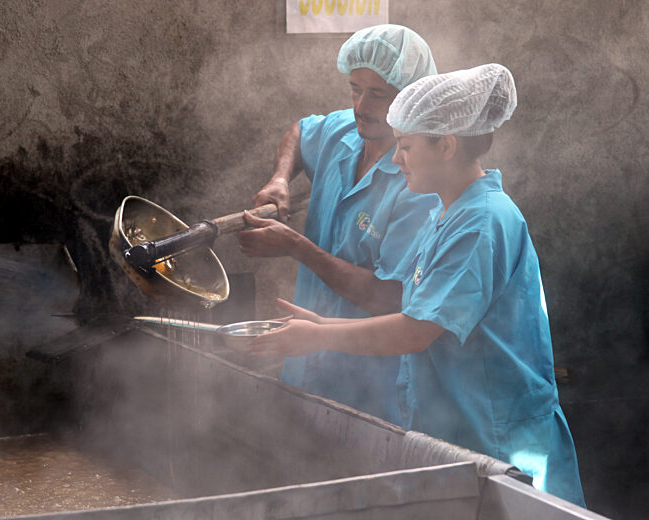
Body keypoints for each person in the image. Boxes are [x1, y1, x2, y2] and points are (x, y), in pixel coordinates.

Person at [247, 64, 585, 506]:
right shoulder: (445, 212)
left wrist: (318, 337)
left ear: (445, 146)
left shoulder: (481, 224)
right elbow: (415, 310)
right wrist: (322, 326)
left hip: (501, 443)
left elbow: (414, 330)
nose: (395, 158)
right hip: (461, 437)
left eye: (405, 146)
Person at [237, 25, 440, 425]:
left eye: (378, 94)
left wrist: (297, 248)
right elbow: (299, 131)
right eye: (354, 89)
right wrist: (280, 178)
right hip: (304, 362)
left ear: (411, 97)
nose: (361, 106)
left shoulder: (420, 183)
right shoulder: (342, 131)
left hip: (369, 387)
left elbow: (389, 298)